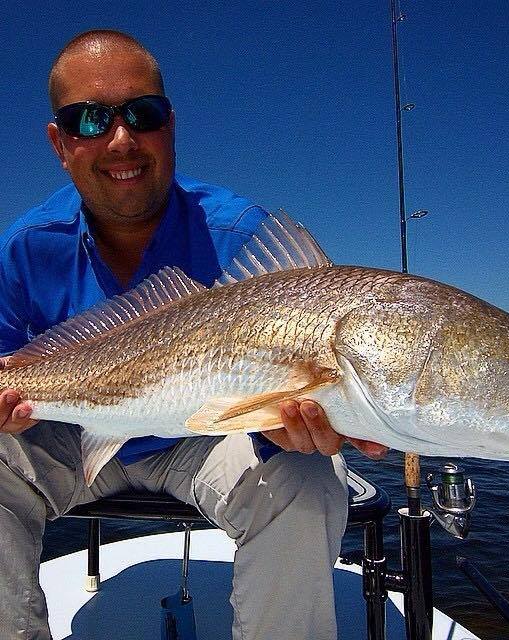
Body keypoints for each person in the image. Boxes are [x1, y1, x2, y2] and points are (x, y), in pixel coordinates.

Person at [0, 30, 387, 640]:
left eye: (142, 113)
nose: (121, 138)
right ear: (59, 142)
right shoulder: (27, 245)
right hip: (75, 433)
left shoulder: (248, 240)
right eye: (90, 119)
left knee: (311, 480)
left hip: (208, 437)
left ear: (171, 125)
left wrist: (358, 418)